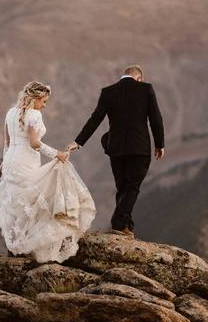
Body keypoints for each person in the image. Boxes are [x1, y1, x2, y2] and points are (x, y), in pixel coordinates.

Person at [0, 81, 95, 262]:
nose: (45, 105)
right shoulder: (34, 115)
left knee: (17, 203)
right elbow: (34, 143)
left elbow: (7, 142)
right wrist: (57, 154)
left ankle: (18, 246)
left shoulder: (10, 113)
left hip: (11, 161)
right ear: (37, 98)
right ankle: (28, 247)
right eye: (44, 101)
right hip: (26, 161)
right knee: (32, 202)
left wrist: (5, 164)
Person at [67, 65, 164, 238]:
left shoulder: (108, 92)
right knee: (132, 186)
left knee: (122, 187)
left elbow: (95, 119)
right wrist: (159, 144)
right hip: (139, 148)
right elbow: (156, 118)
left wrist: (78, 141)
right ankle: (119, 223)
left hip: (116, 149)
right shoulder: (146, 89)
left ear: (123, 76)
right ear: (139, 78)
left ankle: (127, 227)